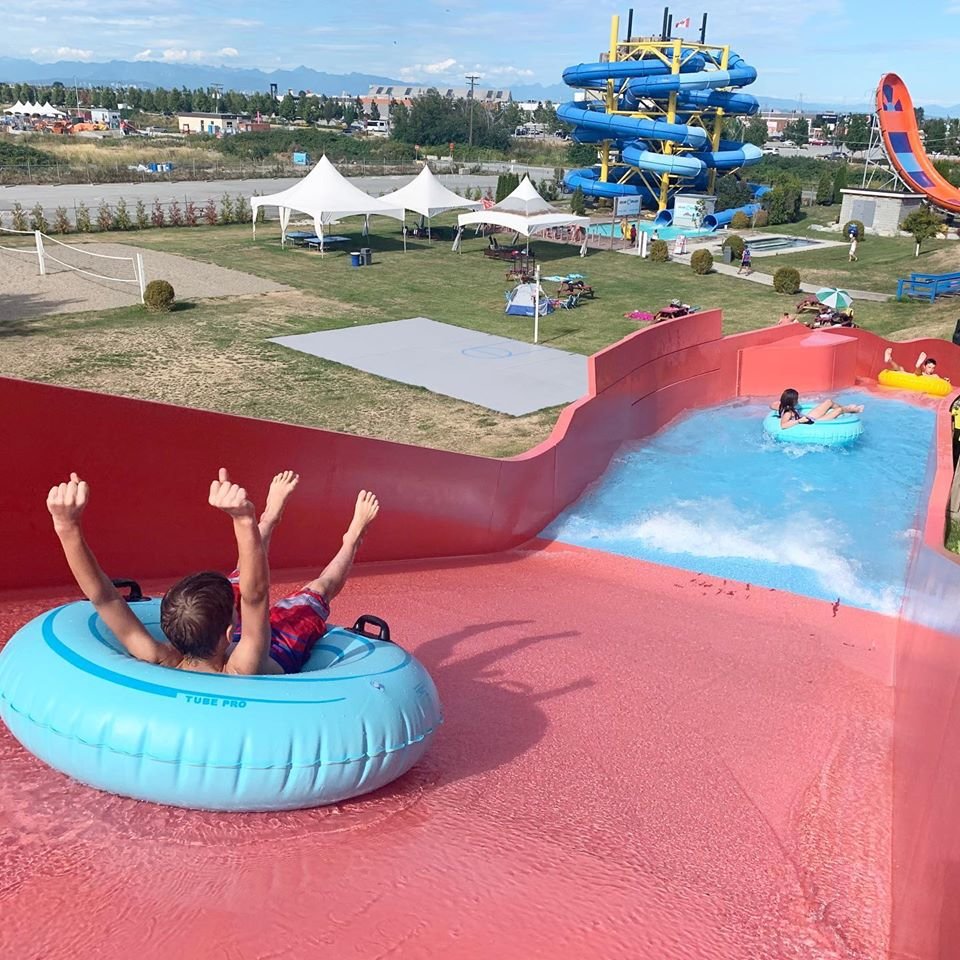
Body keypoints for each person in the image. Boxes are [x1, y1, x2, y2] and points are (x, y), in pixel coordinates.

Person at [46, 469, 380, 676]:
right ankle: (352, 538)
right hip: (280, 647)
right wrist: (242, 520)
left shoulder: (160, 657)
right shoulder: (243, 667)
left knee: (237, 578)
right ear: (231, 630)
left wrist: (66, 526)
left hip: (215, 635)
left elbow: (104, 598)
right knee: (319, 588)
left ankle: (270, 517)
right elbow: (256, 596)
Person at [775, 388, 863, 429]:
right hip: (815, 422)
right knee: (839, 410)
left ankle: (846, 408)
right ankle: (853, 410)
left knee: (829, 401)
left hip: (809, 417)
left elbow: (772, 405)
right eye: (796, 399)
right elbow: (783, 425)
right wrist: (799, 421)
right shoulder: (788, 413)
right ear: (791, 401)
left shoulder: (784, 405)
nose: (798, 400)